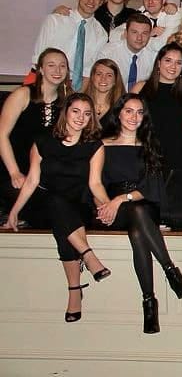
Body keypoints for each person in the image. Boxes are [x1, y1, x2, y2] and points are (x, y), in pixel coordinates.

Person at [3, 93, 111, 323]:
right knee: (55, 202)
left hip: (78, 205)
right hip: (45, 205)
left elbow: (95, 184)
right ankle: (88, 256)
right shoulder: (43, 141)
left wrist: (107, 206)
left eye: (86, 113)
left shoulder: (94, 146)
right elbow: (32, 180)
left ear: (91, 117)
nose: (81, 117)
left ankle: (74, 290)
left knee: (64, 220)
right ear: (66, 112)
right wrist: (14, 212)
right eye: (76, 111)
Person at [91, 94, 182, 333]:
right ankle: (171, 272)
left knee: (138, 229)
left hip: (142, 203)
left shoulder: (149, 145)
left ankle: (149, 301)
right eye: (129, 111)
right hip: (109, 205)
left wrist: (121, 199)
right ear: (118, 113)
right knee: (136, 221)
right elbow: (94, 183)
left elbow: (151, 187)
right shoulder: (102, 144)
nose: (134, 117)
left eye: (139, 112)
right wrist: (107, 204)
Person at [0, 48, 70, 218]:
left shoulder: (67, 102)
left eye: (62, 66)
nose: (57, 70)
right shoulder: (22, 94)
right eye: (51, 65)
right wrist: (14, 172)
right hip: (13, 171)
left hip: (42, 176)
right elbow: (2, 135)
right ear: (40, 69)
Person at [33, 0, 109, 89]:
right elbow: (38, 59)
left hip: (75, 88)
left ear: (102, 1)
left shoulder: (101, 34)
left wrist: (76, 96)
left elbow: (88, 72)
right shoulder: (55, 20)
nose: (91, 1)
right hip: (46, 82)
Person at [132, 43, 182, 177]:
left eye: (178, 63)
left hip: (177, 157)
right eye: (168, 60)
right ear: (159, 62)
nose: (173, 67)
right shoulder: (141, 88)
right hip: (145, 153)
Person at [96, 12, 158, 88]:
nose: (139, 38)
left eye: (144, 33)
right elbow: (98, 82)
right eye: (134, 32)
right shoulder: (108, 53)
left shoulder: (154, 56)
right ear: (126, 33)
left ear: (149, 35)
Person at [81, 59, 125, 125]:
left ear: (115, 80)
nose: (103, 78)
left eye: (109, 75)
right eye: (99, 74)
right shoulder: (80, 103)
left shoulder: (122, 107)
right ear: (92, 77)